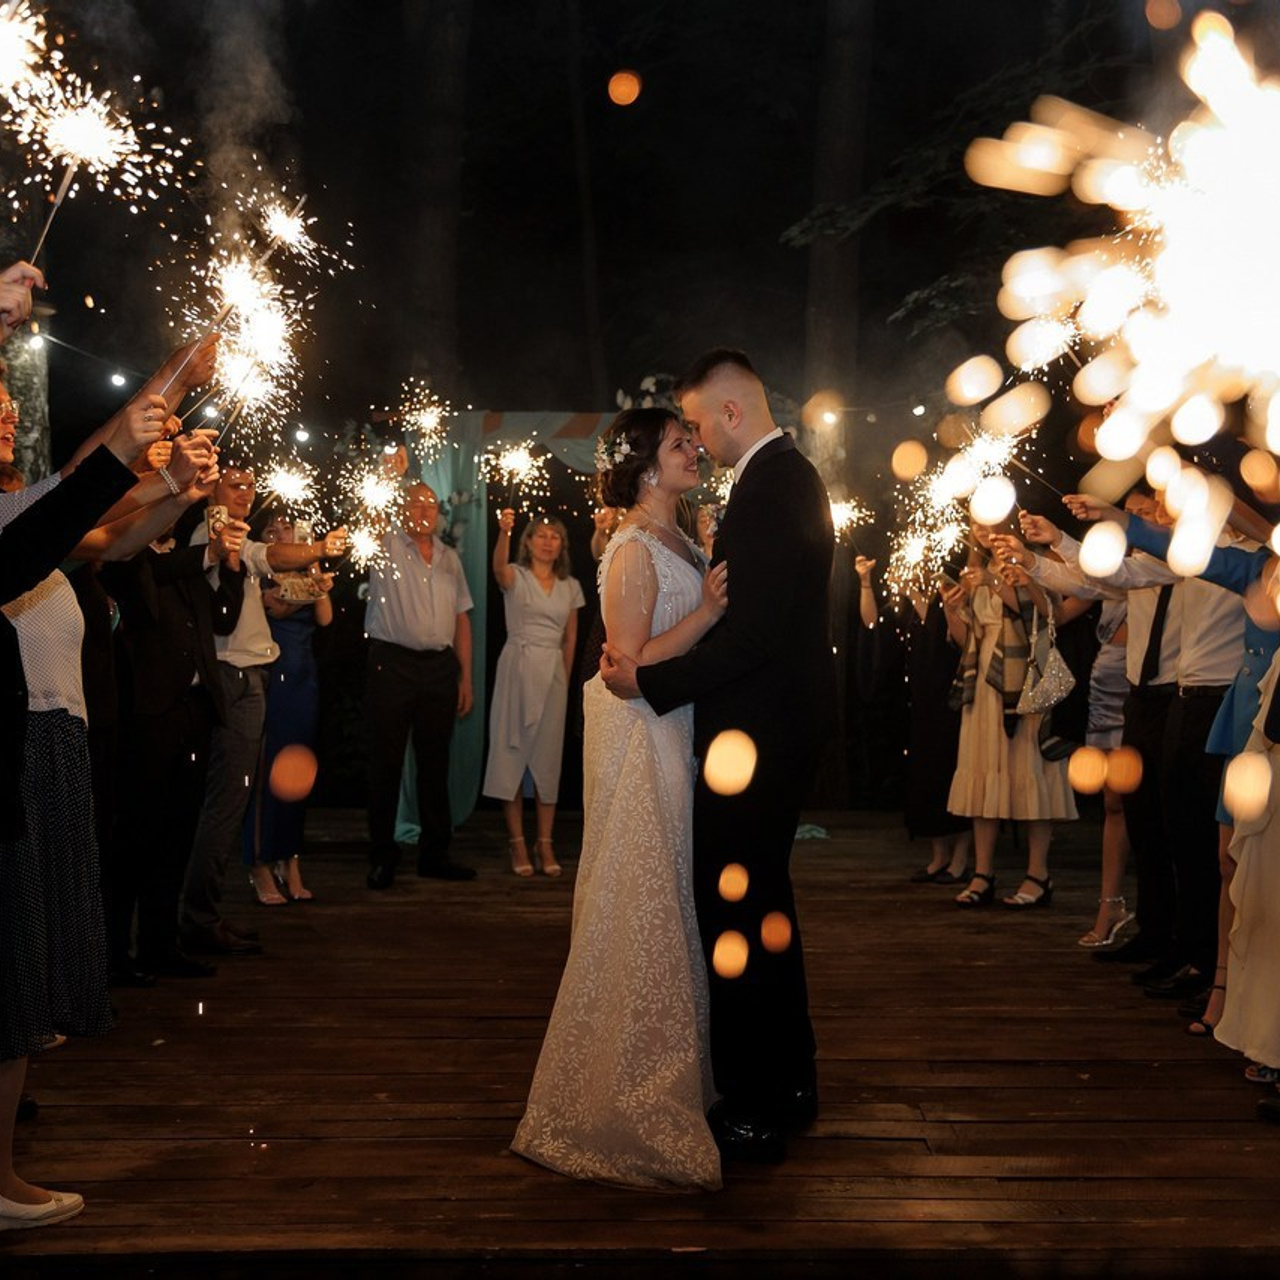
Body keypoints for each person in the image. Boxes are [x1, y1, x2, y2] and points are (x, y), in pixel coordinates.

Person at [601, 349, 836, 1166]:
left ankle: (757, 1104)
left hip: (757, 739)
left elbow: (755, 636)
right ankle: (791, 1078)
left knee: (737, 910)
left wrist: (651, 682)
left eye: (698, 425)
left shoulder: (772, 489)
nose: (697, 442)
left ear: (731, 414)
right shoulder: (782, 481)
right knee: (764, 908)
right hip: (767, 734)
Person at [513, 406, 728, 1188]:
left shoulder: (682, 536)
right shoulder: (634, 548)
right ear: (645, 467)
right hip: (639, 729)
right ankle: (618, 1095)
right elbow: (625, 663)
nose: (694, 451)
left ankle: (674, 1075)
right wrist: (706, 613)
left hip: (675, 728)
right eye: (680, 445)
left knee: (668, 891)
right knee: (640, 893)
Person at [0, 361, 190, 1229]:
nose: (5, 414)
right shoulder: (16, 515)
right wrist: (144, 420)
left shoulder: (22, 507)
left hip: (57, 735)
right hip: (21, 741)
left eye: (9, 404)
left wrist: (177, 488)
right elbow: (80, 500)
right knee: (12, 967)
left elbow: (104, 538)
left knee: (27, 965)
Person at [181, 468, 346, 952]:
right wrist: (317, 548)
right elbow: (271, 555)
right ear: (210, 490)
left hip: (252, 677)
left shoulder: (234, 536)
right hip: (233, 678)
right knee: (227, 802)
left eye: (250, 486)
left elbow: (280, 581)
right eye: (234, 484)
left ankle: (204, 915)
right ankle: (199, 919)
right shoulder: (215, 535)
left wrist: (310, 575)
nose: (245, 492)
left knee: (230, 801)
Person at [942, 522, 1078, 909]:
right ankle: (983, 873)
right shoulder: (975, 567)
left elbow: (1047, 614)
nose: (980, 529)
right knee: (984, 771)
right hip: (983, 682)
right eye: (973, 522)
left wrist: (994, 581)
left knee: (1028, 771)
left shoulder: (1031, 559)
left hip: (1023, 680)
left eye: (987, 520)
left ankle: (1038, 875)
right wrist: (952, 607)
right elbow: (964, 637)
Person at [364, 479, 476, 889]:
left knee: (435, 764)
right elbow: (371, 514)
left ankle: (435, 854)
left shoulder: (449, 558)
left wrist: (465, 676)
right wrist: (389, 474)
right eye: (415, 503)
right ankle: (382, 857)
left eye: (430, 504)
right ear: (402, 508)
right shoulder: (386, 544)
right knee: (386, 764)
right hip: (392, 664)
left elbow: (463, 617)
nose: (424, 510)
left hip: (439, 669)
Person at [855, 555, 970, 883]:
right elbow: (872, 624)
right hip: (919, 706)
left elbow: (951, 638)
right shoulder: (903, 607)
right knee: (927, 779)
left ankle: (960, 859)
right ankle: (939, 856)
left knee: (953, 777)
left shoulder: (949, 595)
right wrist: (865, 582)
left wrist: (919, 595)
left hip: (951, 702)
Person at [483, 509, 583, 876]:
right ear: (527, 542)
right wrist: (503, 532)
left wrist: (565, 679)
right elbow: (498, 570)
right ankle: (517, 843)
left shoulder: (570, 586)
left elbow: (570, 639)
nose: (547, 541)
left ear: (562, 545)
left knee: (547, 756)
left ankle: (545, 841)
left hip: (553, 673)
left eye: (554, 536)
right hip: (518, 668)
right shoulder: (517, 576)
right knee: (512, 751)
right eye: (540, 535)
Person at [243, 515, 334, 904]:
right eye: (277, 530)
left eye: (291, 529)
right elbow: (275, 611)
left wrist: (314, 569)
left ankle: (289, 856)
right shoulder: (260, 573)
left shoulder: (308, 567)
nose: (286, 534)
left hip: (303, 677)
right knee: (267, 770)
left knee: (298, 769)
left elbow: (325, 618)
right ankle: (260, 862)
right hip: (271, 674)